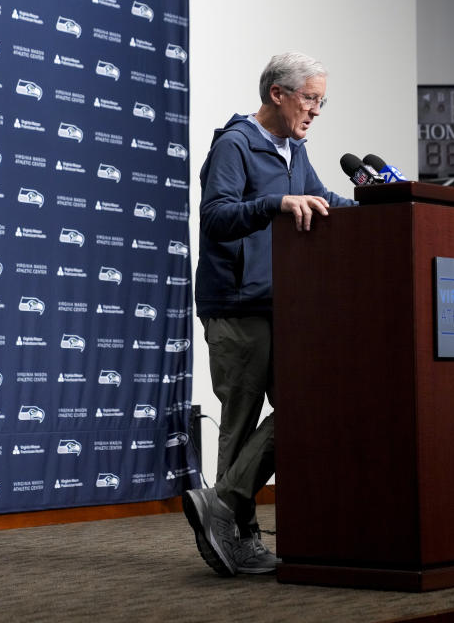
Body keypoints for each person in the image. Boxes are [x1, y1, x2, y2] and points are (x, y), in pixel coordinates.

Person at [183, 52, 356, 576]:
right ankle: (237, 543)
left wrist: (381, 203)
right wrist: (275, 205)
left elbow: (321, 198)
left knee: (306, 406)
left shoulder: (293, 150)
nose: (317, 110)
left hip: (281, 304)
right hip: (236, 305)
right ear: (277, 94)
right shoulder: (236, 145)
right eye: (310, 98)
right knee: (238, 423)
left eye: (322, 101)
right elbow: (215, 217)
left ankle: (224, 505)